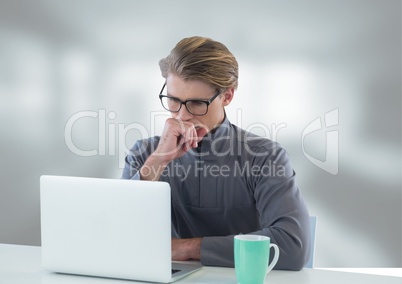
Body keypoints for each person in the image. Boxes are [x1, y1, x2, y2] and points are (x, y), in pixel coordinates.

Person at [122, 36, 310, 270]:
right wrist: (159, 160)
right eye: (172, 100)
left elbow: (293, 247)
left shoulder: (265, 157)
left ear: (227, 96)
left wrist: (186, 248)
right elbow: (120, 237)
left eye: (197, 103)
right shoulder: (144, 154)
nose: (182, 115)